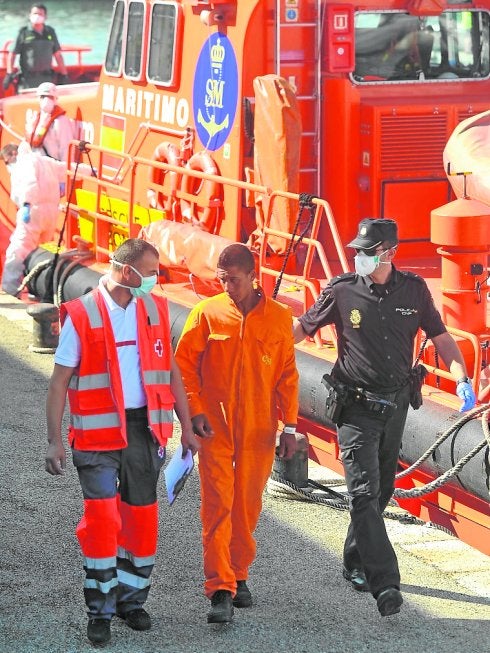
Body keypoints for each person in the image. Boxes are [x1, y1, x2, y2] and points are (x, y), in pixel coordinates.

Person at [293, 218, 476, 617]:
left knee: (381, 492)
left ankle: (354, 560)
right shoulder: (341, 291)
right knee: (362, 492)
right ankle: (385, 582)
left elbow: (441, 336)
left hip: (395, 407)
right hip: (355, 407)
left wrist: (461, 377)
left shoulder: (413, 289)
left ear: (390, 252)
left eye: (367, 251)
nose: (359, 256)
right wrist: (257, 339)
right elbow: (301, 329)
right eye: (356, 250)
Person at [45, 238, 201, 647]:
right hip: (97, 435)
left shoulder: (153, 308)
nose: (156, 279)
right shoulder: (81, 315)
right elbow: (59, 381)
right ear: (128, 272)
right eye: (152, 272)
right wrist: (53, 441)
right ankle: (100, 610)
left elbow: (170, 372)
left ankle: (131, 601)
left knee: (141, 520)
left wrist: (186, 426)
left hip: (143, 431)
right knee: (101, 524)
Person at [175, 243, 299, 624]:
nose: (227, 285)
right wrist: (193, 412)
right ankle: (220, 588)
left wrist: (290, 427)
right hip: (215, 427)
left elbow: (287, 376)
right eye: (222, 278)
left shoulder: (279, 318)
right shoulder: (206, 314)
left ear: (253, 276)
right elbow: (183, 367)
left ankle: (239, 572)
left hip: (259, 429)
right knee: (217, 506)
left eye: (234, 279)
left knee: (247, 506)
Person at [0, 141, 66, 296]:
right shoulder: (43, 160)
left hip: (33, 211)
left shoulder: (24, 163)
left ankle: (9, 290)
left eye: (6, 162)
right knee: (42, 251)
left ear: (12, 155)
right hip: (51, 212)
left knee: (17, 250)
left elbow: (29, 182)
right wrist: (93, 170)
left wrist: (27, 204)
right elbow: (64, 167)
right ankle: (37, 288)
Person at [3, 4, 69, 93]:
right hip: (27, 79)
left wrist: (64, 74)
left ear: (45, 17)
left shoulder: (50, 32)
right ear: (30, 15)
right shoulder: (24, 32)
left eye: (40, 14)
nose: (37, 16)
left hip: (46, 78)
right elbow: (12, 54)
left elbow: (58, 55)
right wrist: (9, 74)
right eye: (35, 13)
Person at [26, 82, 74, 162]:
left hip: (53, 166)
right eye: (42, 97)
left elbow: (66, 148)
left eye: (49, 97)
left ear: (55, 99)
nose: (46, 100)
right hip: (38, 164)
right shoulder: (36, 118)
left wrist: (65, 169)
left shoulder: (61, 121)